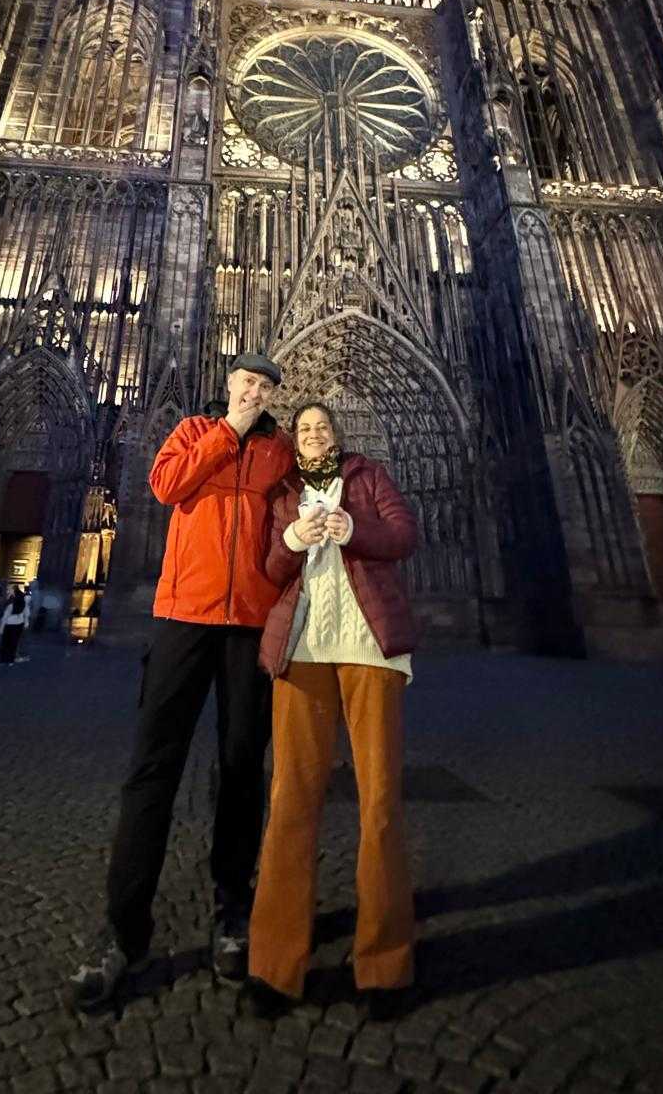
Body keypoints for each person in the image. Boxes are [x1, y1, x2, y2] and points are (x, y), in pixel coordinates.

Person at [67, 353, 294, 1012]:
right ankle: (122, 930)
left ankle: (232, 915)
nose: (253, 392)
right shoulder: (193, 432)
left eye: (263, 386)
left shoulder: (280, 454)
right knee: (152, 770)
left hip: (249, 626)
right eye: (244, 383)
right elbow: (164, 487)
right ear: (228, 388)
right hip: (183, 618)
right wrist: (227, 431)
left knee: (243, 767)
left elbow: (293, 532)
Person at [245, 401, 419, 1022]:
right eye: (305, 429)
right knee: (290, 801)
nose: (314, 435)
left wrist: (353, 529)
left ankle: (386, 966)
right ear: (295, 440)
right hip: (305, 649)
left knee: (379, 804)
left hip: (369, 649)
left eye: (323, 427)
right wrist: (295, 536)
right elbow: (269, 567)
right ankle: (274, 964)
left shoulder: (369, 478)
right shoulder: (283, 493)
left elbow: (403, 535)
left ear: (337, 435)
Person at [0, 585, 28, 664]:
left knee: (6, 643)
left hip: (9, 625)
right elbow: (26, 614)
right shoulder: (23, 605)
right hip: (19, 624)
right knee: (14, 643)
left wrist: (1, 630)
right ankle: (10, 660)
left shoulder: (11, 606)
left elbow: (4, 618)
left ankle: (3, 659)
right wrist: (26, 624)